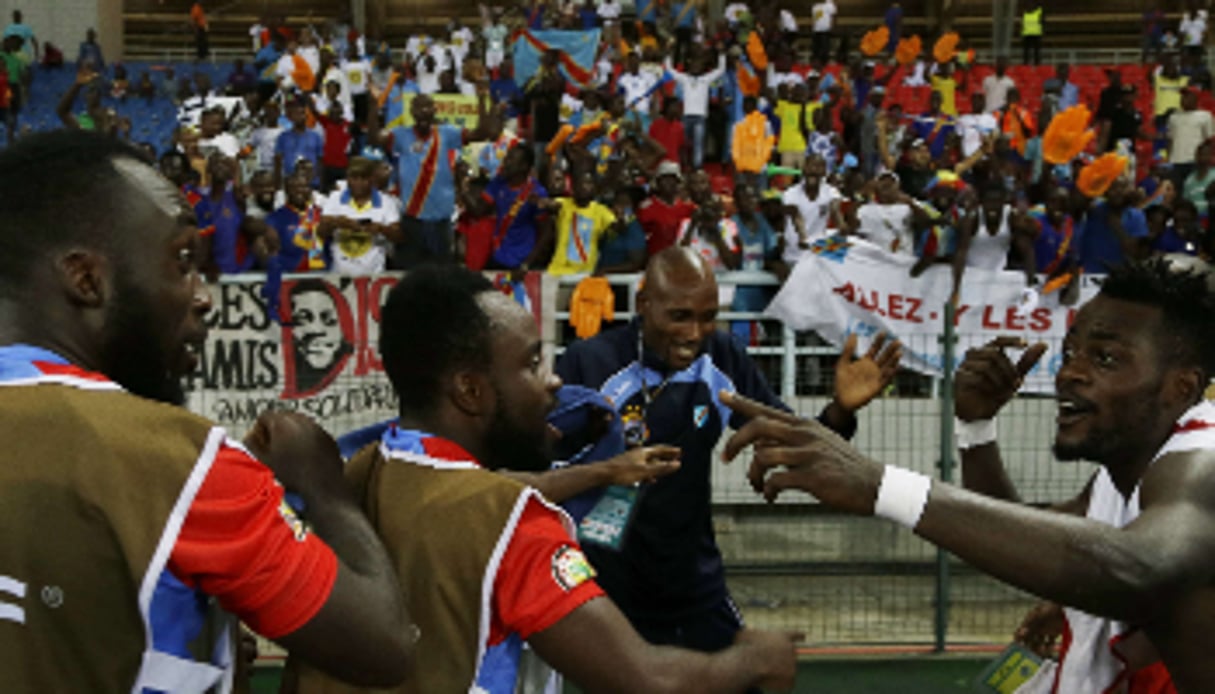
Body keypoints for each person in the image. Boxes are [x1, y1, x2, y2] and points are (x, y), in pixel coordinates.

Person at [0, 130, 414, 690]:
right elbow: (384, 645)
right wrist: (325, 490)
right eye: (182, 261)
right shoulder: (173, 459)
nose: (201, 295)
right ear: (87, 279)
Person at [289, 264, 802, 693]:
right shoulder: (515, 523)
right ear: (470, 390)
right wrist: (755, 660)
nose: (554, 380)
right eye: (533, 364)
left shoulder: (364, 468)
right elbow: (645, 677)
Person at [722, 256, 1215, 693]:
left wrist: (879, 485)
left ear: (1182, 386)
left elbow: (1140, 568)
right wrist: (975, 428)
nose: (1071, 373)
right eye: (1070, 352)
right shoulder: (1129, 471)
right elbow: (1025, 539)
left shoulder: (1204, 459)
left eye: (1104, 358)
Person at [555, 246, 901, 658]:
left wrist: (840, 410)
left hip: (694, 585)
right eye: (680, 316)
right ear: (644, 305)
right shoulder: (589, 363)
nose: (695, 333)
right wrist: (606, 470)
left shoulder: (722, 357)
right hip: (607, 590)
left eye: (707, 316)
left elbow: (795, 442)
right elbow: (542, 472)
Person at [368, 85, 489, 268]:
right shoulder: (400, 134)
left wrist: (481, 98)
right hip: (412, 220)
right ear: (412, 112)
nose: (423, 111)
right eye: (418, 107)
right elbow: (374, 139)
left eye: (427, 107)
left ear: (434, 110)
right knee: (410, 273)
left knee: (441, 276)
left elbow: (482, 133)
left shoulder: (448, 133)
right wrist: (373, 107)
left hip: (441, 222)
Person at [319, 157, 402, 275]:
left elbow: (399, 237)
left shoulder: (386, 202)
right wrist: (336, 223)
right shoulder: (335, 198)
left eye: (363, 178)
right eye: (354, 178)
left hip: (374, 276)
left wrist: (382, 229)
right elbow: (320, 232)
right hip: (338, 275)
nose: (358, 183)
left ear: (372, 179)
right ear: (347, 179)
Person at [548, 168, 620, 275]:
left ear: (594, 187)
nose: (583, 187)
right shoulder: (564, 204)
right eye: (579, 183)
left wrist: (622, 218)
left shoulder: (601, 211)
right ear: (573, 187)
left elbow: (617, 228)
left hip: (584, 273)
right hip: (557, 271)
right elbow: (551, 204)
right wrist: (541, 202)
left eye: (588, 183)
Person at [782, 154, 843, 267]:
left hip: (819, 255)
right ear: (804, 169)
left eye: (819, 166)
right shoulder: (790, 193)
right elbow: (796, 216)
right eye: (810, 166)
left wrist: (842, 225)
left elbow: (835, 209)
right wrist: (803, 237)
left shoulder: (831, 192)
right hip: (794, 256)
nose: (814, 170)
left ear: (825, 172)